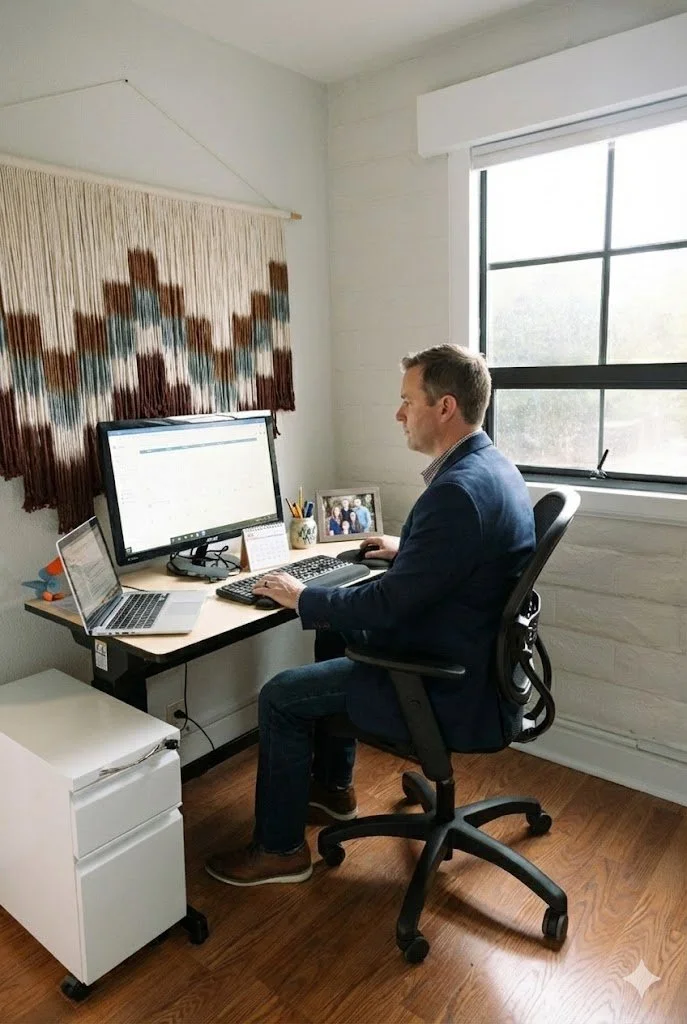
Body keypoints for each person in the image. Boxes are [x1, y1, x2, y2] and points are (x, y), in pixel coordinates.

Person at [205, 344, 535, 887]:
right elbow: (470, 557)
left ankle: (279, 851)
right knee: (335, 633)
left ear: (445, 407)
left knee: (281, 696)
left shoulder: (455, 494)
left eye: (408, 400)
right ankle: (334, 791)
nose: (398, 413)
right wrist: (410, 549)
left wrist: (301, 596)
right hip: (478, 663)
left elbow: (386, 606)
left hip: (446, 684)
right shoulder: (492, 468)